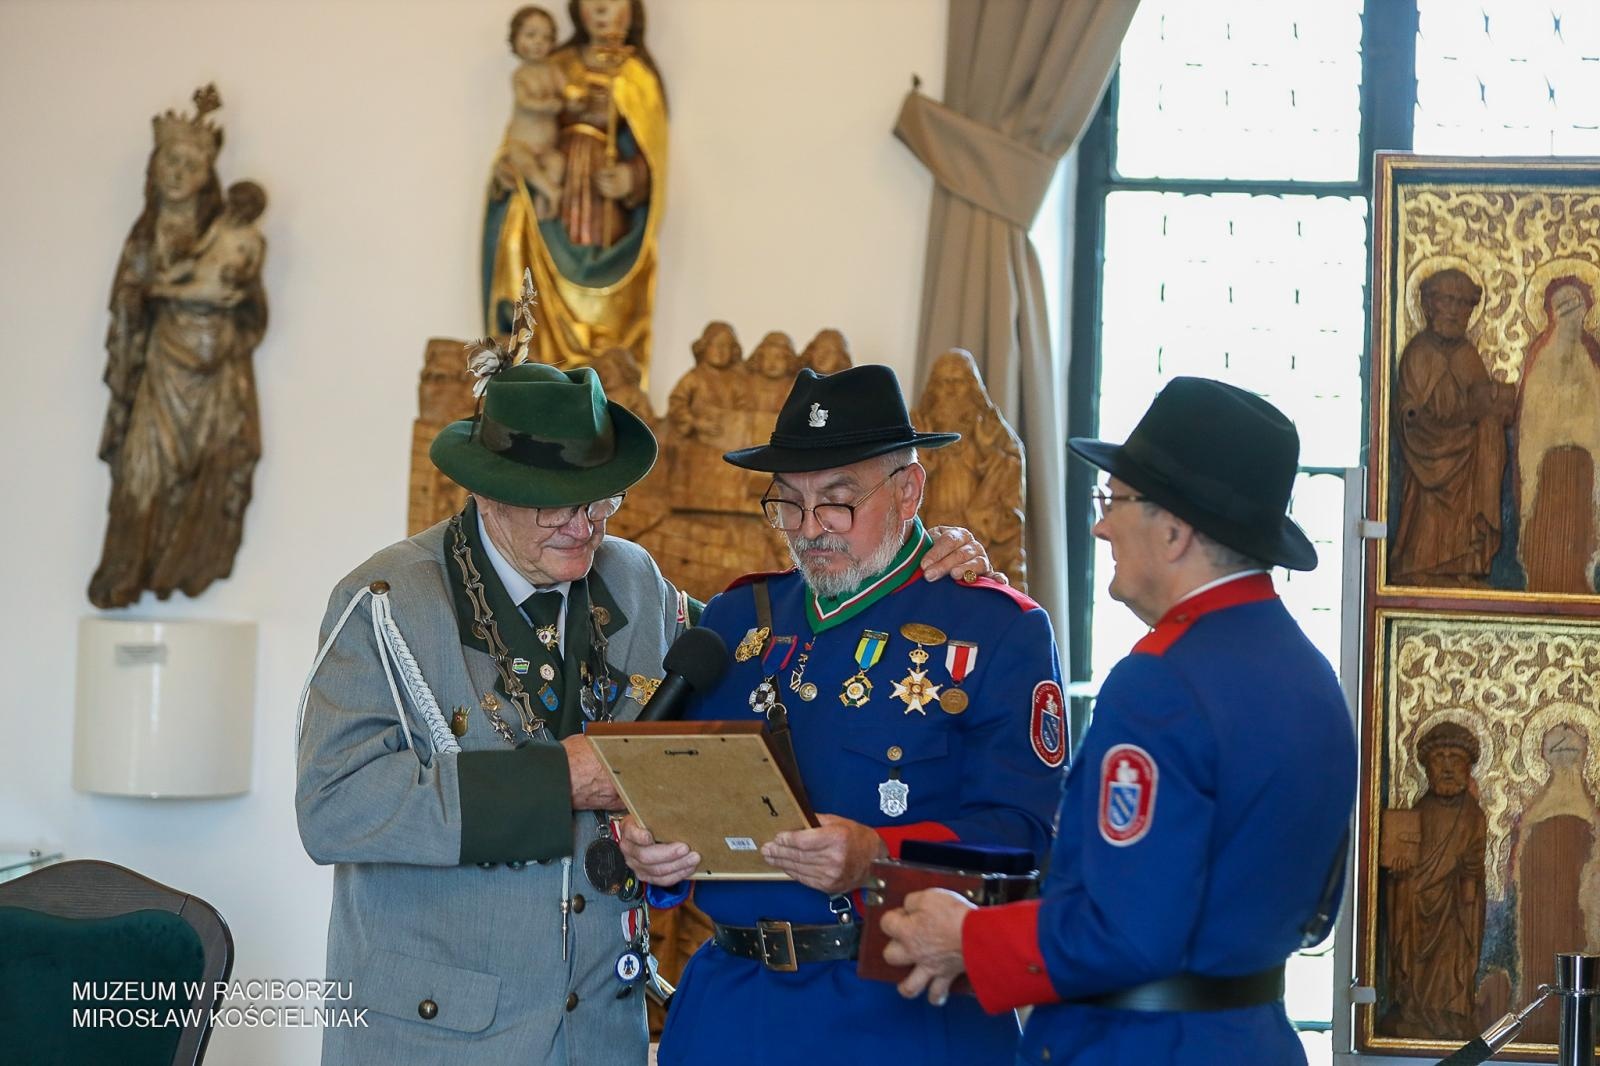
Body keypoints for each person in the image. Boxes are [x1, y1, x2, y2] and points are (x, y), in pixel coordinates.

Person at [296, 360, 993, 1065]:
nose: (584, 526)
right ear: (486, 491)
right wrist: (557, 781)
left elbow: (773, 647)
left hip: (601, 1032)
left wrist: (926, 558)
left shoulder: (633, 578)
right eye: (555, 504)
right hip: (436, 1036)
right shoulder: (385, 604)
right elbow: (333, 807)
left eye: (602, 500)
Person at [881, 377, 1358, 1066]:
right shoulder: (1308, 674)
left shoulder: (1162, 683)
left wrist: (968, 939)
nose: (1101, 523)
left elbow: (1128, 932)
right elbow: (1314, 913)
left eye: (1116, 501)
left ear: (1173, 532)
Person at [621, 364, 1066, 1066]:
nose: (809, 529)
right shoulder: (739, 618)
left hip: (897, 1014)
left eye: (837, 502)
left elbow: (1025, 844)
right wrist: (658, 858)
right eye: (789, 504)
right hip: (730, 1011)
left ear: (909, 490)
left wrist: (876, 858)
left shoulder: (992, 627)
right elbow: (693, 792)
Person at [89, 86, 267, 609]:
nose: (179, 173)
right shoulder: (144, 236)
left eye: (191, 163)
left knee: (212, 460)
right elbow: (128, 299)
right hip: (161, 365)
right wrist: (144, 297)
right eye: (171, 160)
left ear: (207, 173)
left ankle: (185, 563)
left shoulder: (229, 230)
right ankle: (126, 571)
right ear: (154, 166)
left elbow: (248, 299)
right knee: (142, 469)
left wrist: (235, 299)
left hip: (216, 369)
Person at [483, 0, 668, 371]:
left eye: (613, 2)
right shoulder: (556, 65)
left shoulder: (636, 76)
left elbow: (653, 156)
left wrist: (632, 178)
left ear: (632, 10)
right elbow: (522, 135)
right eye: (591, 2)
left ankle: (605, 377)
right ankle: (529, 363)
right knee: (521, 219)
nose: (602, 10)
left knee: (606, 326)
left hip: (605, 213)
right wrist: (507, 173)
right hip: (554, 205)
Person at [1390, 268, 1516, 587]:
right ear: (1429, 305)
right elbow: (1408, 408)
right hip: (1429, 447)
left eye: (1463, 304)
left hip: (1466, 451)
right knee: (1428, 508)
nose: (1455, 310)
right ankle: (1421, 567)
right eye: (1448, 301)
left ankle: (1466, 565)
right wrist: (1419, 418)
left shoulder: (1467, 355)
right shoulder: (1418, 352)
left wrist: (1493, 406)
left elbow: (1479, 400)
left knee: (1488, 434)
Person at [1380, 721, 1487, 1040]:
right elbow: (1402, 861)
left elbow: (1473, 866)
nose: (1448, 767)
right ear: (1427, 766)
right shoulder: (1418, 813)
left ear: (1468, 766)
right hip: (1414, 911)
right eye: (1440, 758)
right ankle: (1413, 1009)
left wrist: (1467, 887)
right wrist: (1398, 875)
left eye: (1456, 758)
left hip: (1454, 914)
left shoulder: (1472, 815)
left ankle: (1451, 1014)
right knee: (1413, 967)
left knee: (1450, 967)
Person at [493, 6, 567, 218]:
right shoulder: (521, 74)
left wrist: (576, 98)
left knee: (557, 164)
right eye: (531, 35)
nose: (538, 42)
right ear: (515, 39)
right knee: (527, 167)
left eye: (546, 37)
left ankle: (543, 208)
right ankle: (552, 191)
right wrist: (546, 105)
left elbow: (567, 90)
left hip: (546, 146)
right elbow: (525, 101)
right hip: (522, 143)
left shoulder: (553, 70)